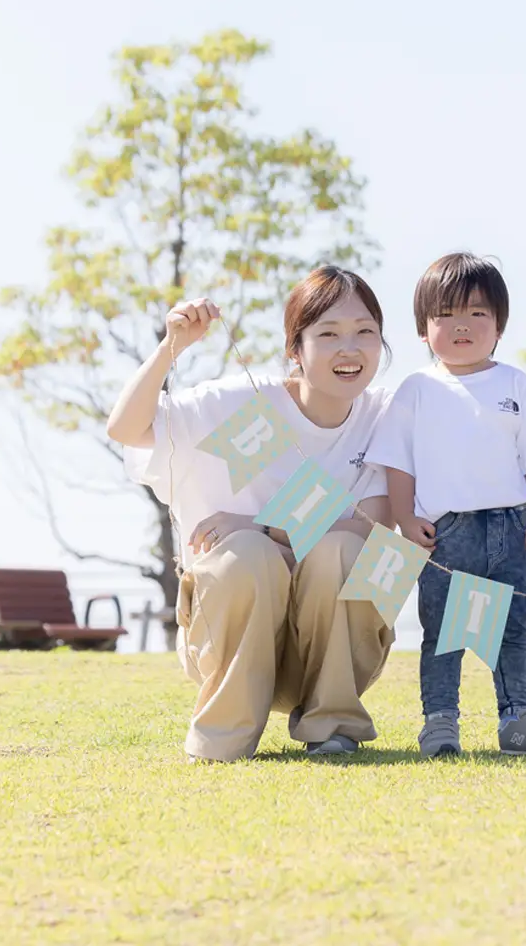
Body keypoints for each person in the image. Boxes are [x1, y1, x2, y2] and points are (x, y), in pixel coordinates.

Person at [106, 267, 396, 762]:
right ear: (294, 348)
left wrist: (263, 526)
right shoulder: (238, 401)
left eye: (365, 331)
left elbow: (374, 528)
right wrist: (171, 348)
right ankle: (225, 737)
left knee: (344, 548)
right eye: (328, 334)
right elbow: (126, 428)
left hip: (334, 652)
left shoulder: (387, 415)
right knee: (247, 554)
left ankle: (335, 726)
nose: (350, 348)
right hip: (232, 639)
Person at [366, 252, 526, 758]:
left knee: (514, 628)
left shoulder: (515, 384)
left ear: (499, 325)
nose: (463, 326)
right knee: (443, 632)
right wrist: (403, 518)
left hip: (512, 529)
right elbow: (398, 463)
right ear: (423, 328)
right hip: (444, 534)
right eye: (446, 315)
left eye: (478, 314)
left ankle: (518, 719)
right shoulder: (416, 389)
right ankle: (440, 722)